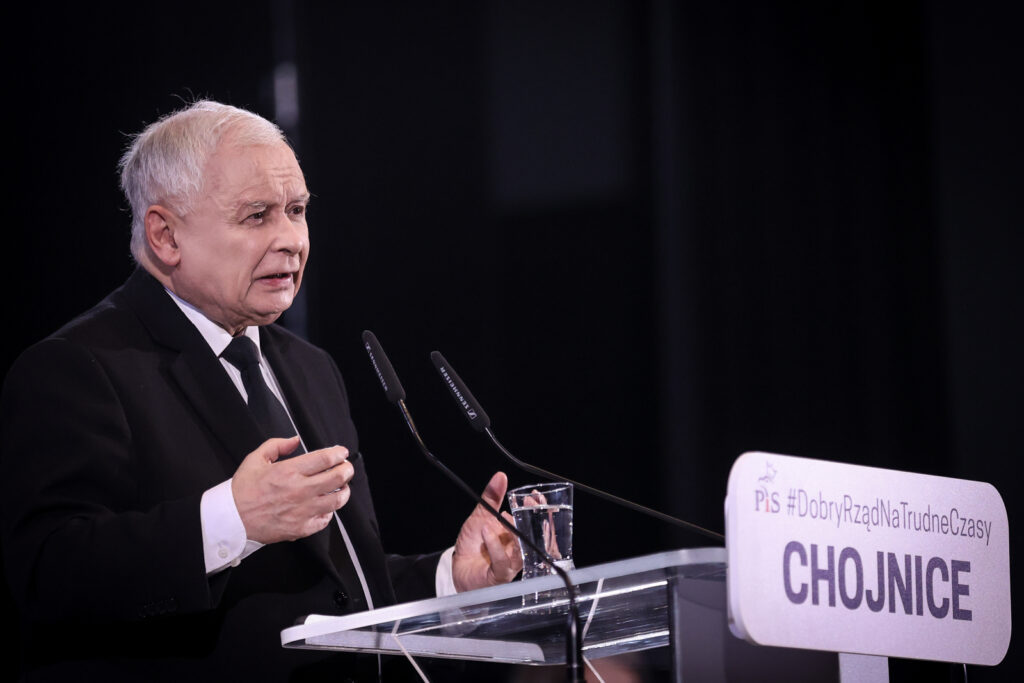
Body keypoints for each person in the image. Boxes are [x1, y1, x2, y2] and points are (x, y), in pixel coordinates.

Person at [0, 100, 522, 681]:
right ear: (166, 235)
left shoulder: (310, 368)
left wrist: (452, 579)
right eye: (256, 216)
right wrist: (233, 520)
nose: (291, 239)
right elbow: (50, 575)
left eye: (296, 210)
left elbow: (337, 584)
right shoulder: (78, 367)